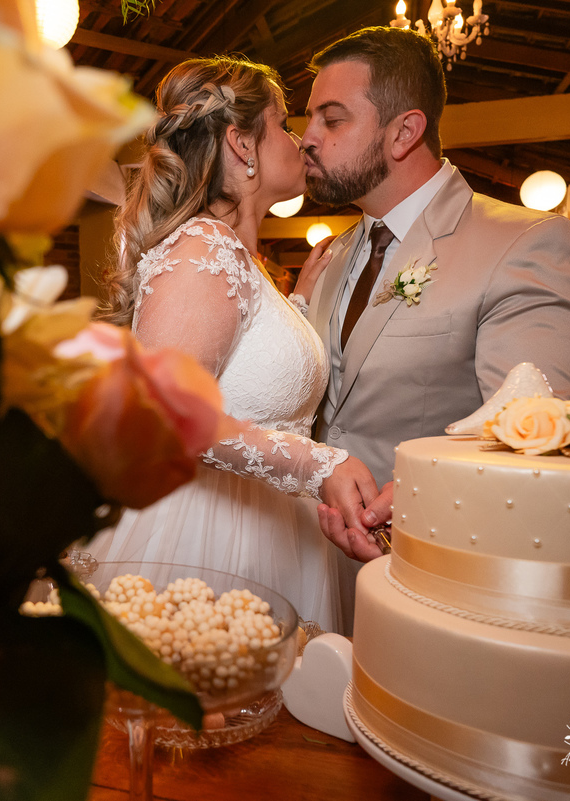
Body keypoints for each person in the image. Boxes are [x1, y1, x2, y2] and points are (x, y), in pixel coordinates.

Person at [298, 27, 570, 624]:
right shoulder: (332, 255)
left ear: (405, 131)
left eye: (331, 121)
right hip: (311, 565)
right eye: (309, 119)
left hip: (438, 577)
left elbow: (537, 433)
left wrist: (420, 497)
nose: (306, 139)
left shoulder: (522, 242)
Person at [88, 56, 377, 633]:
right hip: (209, 543)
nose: (301, 141)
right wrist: (317, 462)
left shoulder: (239, 259)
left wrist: (296, 308)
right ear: (241, 143)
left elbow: (241, 374)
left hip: (273, 532)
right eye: (284, 123)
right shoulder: (202, 245)